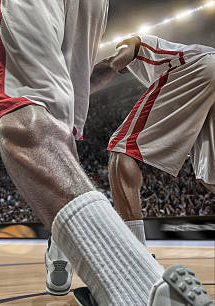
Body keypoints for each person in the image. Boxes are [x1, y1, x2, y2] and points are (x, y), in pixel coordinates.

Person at [0, 1, 212, 305]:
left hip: (196, 66)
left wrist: (116, 61)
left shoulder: (155, 49)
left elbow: (131, 47)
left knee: (27, 107)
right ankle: (63, 243)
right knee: (61, 126)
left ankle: (135, 280)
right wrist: (92, 76)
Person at [90, 34, 214, 245]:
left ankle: (135, 254)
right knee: (209, 176)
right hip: (207, 73)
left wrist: (107, 67)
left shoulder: (135, 42)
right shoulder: (152, 69)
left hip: (199, 67)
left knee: (123, 147)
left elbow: (117, 58)